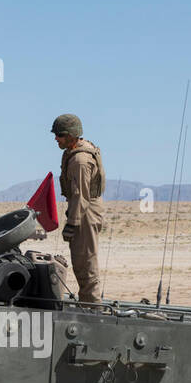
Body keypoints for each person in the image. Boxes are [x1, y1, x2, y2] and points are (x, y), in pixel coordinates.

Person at [52, 113, 105, 303]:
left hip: (85, 213)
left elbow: (80, 196)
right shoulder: (72, 153)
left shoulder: (80, 160)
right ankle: (88, 302)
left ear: (72, 135)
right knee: (81, 261)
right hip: (82, 210)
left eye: (60, 135)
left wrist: (72, 224)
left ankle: (92, 307)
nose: (56, 139)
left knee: (86, 263)